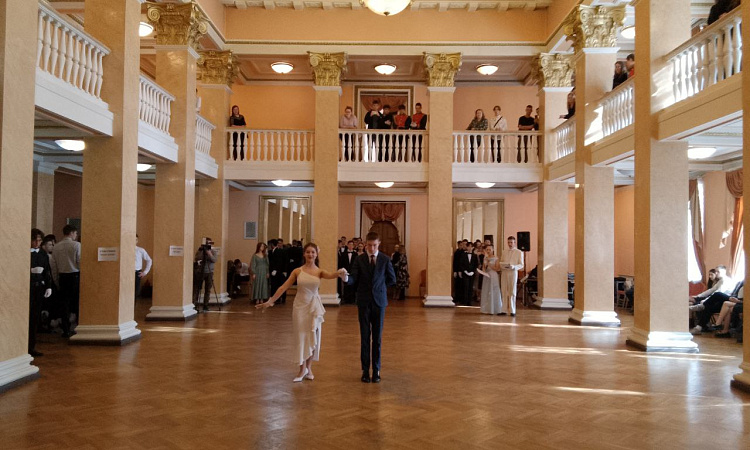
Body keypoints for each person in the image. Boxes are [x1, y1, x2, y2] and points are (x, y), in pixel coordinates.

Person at [257, 243, 347, 382]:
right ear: (304, 254)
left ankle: (309, 368)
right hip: (300, 307)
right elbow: (283, 287)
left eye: (313, 252)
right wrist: (270, 301)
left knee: (312, 336)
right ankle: (301, 369)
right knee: (300, 337)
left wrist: (341, 272)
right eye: (308, 252)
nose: (310, 254)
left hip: (313, 307)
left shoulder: (320, 271)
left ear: (316, 254)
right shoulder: (297, 271)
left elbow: (332, 275)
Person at [342, 232, 397, 383]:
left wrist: (380, 288)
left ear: (378, 244)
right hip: (364, 302)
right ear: (366, 244)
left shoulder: (385, 259)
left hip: (379, 303)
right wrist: (346, 278)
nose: (372, 248)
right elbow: (353, 278)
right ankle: (365, 370)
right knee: (365, 337)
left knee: (377, 339)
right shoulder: (359, 259)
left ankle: (377, 370)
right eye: (369, 245)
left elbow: (392, 279)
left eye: (374, 245)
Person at [53, 224, 81, 338]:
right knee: (77, 303)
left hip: (62, 277)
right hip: (75, 276)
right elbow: (80, 262)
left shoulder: (56, 247)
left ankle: (65, 329)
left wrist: (56, 280)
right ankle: (78, 327)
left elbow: (54, 266)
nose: (76, 235)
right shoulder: (76, 245)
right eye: (76, 233)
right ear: (72, 233)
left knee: (64, 304)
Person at [29, 229, 52, 357]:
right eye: (35, 240)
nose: (37, 243)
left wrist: (49, 286)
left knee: (35, 317)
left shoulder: (43, 254)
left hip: (39, 288)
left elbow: (47, 271)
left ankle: (32, 346)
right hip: (28, 287)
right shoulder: (25, 252)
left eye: (39, 240)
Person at [499, 235, 524, 316]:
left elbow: (521, 265)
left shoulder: (519, 252)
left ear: (515, 243)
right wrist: (502, 265)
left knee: (512, 291)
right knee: (504, 290)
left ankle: (512, 310)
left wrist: (514, 267)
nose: (510, 244)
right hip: (504, 272)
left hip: (513, 272)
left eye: (511, 242)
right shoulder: (504, 251)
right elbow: (501, 261)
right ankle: (504, 310)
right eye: (509, 242)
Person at [193, 237, 216, 312]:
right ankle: (195, 304)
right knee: (197, 289)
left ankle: (206, 305)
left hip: (209, 272)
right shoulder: (200, 250)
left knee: (208, 289)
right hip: (200, 271)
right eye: (206, 243)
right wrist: (203, 252)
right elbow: (196, 258)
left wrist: (209, 254)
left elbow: (214, 260)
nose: (208, 245)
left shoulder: (213, 251)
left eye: (209, 243)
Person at [479, 244, 502, 315]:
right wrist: (483, 270)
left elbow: (497, 268)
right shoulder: (485, 258)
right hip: (486, 275)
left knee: (493, 290)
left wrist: (489, 264)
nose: (488, 251)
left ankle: (494, 308)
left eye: (490, 249)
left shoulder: (496, 258)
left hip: (493, 275)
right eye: (487, 250)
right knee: (486, 290)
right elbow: (483, 267)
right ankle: (486, 308)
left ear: (493, 250)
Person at [457, 241, 478, 306]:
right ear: (467, 247)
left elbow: (476, 264)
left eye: (471, 246)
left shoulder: (475, 256)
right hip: (465, 273)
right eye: (468, 246)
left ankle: (469, 301)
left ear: (473, 247)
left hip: (472, 273)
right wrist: (464, 271)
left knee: (470, 287)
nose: (470, 248)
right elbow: (461, 264)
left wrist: (473, 271)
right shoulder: (463, 255)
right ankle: (465, 301)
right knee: (465, 286)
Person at [269, 239, 288, 304]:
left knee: (281, 285)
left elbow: (282, 262)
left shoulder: (281, 251)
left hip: (280, 271)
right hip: (273, 272)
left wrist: (284, 271)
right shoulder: (270, 252)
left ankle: (283, 298)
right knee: (274, 285)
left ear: (272, 244)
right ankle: (275, 298)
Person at [134, 234, 152, 302]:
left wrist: (145, 272)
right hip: (126, 273)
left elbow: (149, 260)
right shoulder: (125, 250)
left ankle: (133, 306)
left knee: (136, 291)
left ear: (137, 240)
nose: (134, 241)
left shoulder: (140, 250)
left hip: (137, 273)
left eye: (136, 239)